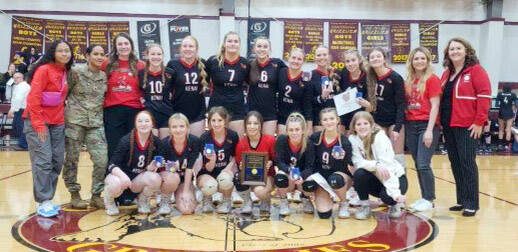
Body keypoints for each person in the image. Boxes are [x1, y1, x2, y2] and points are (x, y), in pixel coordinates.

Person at [440, 37, 491, 217]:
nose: (454, 51)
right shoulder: (446, 73)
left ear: (466, 50)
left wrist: (479, 122)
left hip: (467, 125)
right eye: (451, 49)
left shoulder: (476, 70)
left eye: (458, 48)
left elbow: (484, 96)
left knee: (467, 163)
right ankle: (462, 200)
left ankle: (472, 203)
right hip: (449, 124)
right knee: (456, 163)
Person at [23, 39, 74, 217]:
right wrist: (37, 124)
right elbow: (33, 98)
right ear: (53, 52)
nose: (64, 54)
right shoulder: (44, 70)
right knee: (43, 161)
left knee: (56, 161)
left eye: (67, 51)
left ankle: (48, 199)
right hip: (39, 122)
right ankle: (42, 200)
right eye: (60, 51)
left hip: (57, 122)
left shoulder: (66, 71)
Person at [62, 44, 108, 209]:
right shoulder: (75, 72)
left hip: (95, 123)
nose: (99, 57)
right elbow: (63, 93)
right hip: (75, 122)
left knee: (102, 159)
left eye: (102, 54)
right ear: (87, 56)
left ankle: (96, 195)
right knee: (72, 160)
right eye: (95, 54)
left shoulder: (104, 76)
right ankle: (74, 194)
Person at [348, 111, 407, 220]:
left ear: (371, 124)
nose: (362, 127)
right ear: (354, 127)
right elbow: (357, 162)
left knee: (388, 198)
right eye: (359, 124)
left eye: (366, 123)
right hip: (375, 177)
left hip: (394, 177)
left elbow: (389, 168)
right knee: (359, 173)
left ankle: (395, 205)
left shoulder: (380, 137)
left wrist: (395, 193)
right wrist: (376, 165)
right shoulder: (353, 139)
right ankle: (365, 207)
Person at [103, 111, 163, 215]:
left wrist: (152, 167)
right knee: (115, 184)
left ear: (152, 124)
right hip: (121, 179)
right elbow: (112, 164)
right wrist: (123, 176)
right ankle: (109, 202)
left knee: (155, 178)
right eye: (140, 121)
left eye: (147, 121)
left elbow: (150, 168)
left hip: (136, 181)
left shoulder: (156, 142)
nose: (143, 124)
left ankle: (142, 200)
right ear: (135, 124)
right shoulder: (126, 140)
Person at [404, 47, 441, 212]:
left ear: (427, 60)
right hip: (411, 124)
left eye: (422, 58)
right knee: (417, 164)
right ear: (411, 61)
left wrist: (429, 130)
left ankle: (429, 198)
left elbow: (435, 106)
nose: (419, 61)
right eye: (416, 59)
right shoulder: (409, 80)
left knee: (423, 163)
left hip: (426, 124)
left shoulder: (432, 79)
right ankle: (424, 196)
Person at [102, 32, 145, 159]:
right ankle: (113, 174)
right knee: (114, 145)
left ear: (131, 46)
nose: (123, 46)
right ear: (115, 47)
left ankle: (132, 176)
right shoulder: (106, 64)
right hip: (112, 110)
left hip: (135, 110)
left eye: (126, 43)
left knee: (132, 145)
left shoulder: (140, 65)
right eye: (119, 44)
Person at [307, 108, 353, 219]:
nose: (329, 122)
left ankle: (343, 202)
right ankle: (314, 198)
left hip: (340, 177)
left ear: (337, 120)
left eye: (332, 118)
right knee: (324, 214)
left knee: (335, 179)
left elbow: (350, 164)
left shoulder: (344, 141)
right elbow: (310, 161)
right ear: (321, 122)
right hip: (322, 179)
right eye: (325, 119)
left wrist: (344, 157)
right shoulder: (315, 138)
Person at [366, 47, 406, 169]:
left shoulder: (395, 77)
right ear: (369, 61)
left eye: (378, 56)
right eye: (372, 57)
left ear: (384, 59)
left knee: (397, 156)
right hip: (378, 121)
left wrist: (398, 127)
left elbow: (401, 104)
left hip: (394, 121)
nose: (375, 59)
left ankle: (400, 185)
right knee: (380, 155)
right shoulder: (369, 77)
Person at [206, 31, 249, 137]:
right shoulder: (213, 61)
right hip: (216, 106)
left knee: (236, 141)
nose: (233, 44)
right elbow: (205, 81)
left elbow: (248, 83)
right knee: (215, 140)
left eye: (235, 41)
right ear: (224, 44)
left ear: (239, 44)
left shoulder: (245, 63)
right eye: (229, 41)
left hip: (237, 107)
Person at [198, 107, 239, 213]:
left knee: (225, 179)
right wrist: (212, 160)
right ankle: (207, 199)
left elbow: (236, 156)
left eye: (220, 120)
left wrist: (228, 168)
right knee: (210, 186)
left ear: (225, 121)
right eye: (213, 120)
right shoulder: (204, 138)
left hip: (225, 169)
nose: (216, 124)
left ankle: (226, 201)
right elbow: (208, 168)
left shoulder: (233, 135)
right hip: (207, 173)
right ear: (209, 122)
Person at [166, 36, 209, 137]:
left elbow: (207, 84)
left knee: (196, 145)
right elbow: (167, 89)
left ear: (196, 49)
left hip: (197, 113)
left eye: (191, 46)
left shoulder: (203, 63)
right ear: (180, 48)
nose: (188, 48)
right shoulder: (172, 64)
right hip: (178, 112)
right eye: (185, 46)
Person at [160, 113, 202, 215]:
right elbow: (162, 169)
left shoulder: (194, 141)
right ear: (169, 129)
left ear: (188, 128)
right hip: (170, 179)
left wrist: (186, 191)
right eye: (174, 127)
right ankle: (165, 199)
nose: (178, 130)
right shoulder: (164, 144)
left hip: (185, 181)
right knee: (172, 178)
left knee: (187, 210)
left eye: (181, 126)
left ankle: (189, 192)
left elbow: (189, 167)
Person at [274, 112, 315, 215]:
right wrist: (289, 172)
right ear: (287, 130)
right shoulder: (282, 140)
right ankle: (284, 201)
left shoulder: (308, 143)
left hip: (301, 177)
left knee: (310, 183)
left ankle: (305, 198)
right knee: (279, 177)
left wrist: (301, 176)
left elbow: (310, 167)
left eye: (297, 130)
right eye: (291, 130)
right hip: (288, 175)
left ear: (303, 131)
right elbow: (279, 162)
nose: (294, 133)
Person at [234, 111, 275, 213]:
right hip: (249, 176)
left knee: (259, 192)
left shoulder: (270, 140)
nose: (252, 126)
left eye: (256, 123)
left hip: (267, 176)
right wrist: (241, 166)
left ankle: (266, 200)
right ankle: (247, 201)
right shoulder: (241, 144)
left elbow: (277, 159)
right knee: (237, 177)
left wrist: (271, 162)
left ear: (260, 125)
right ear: (245, 125)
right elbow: (239, 163)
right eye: (249, 123)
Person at [247, 37, 286, 135]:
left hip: (270, 112)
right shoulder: (249, 65)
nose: (262, 49)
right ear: (254, 49)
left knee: (268, 143)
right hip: (253, 112)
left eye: (265, 46)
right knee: (253, 143)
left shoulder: (277, 63)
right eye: (259, 46)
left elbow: (290, 75)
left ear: (269, 49)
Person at [138, 44, 174, 138]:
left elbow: (175, 92)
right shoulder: (140, 73)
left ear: (162, 56)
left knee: (164, 146)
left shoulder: (170, 73)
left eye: (159, 54)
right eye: (153, 54)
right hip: (149, 115)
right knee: (152, 146)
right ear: (147, 56)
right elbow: (137, 92)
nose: (156, 57)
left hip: (166, 113)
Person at [277, 48, 313, 135]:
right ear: (288, 58)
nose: (295, 61)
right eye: (293, 58)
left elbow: (308, 105)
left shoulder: (306, 79)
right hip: (282, 118)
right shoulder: (281, 72)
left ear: (303, 61)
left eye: (299, 59)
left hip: (298, 119)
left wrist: (309, 127)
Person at [338, 49, 372, 132]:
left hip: (360, 116)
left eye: (353, 60)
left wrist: (367, 104)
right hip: (345, 113)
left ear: (359, 60)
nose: (350, 64)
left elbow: (371, 105)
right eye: (347, 61)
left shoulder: (367, 76)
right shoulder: (343, 73)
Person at [310, 45, 341, 132]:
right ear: (314, 58)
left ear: (329, 56)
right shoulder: (311, 76)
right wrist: (322, 97)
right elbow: (309, 101)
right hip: (319, 120)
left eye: (324, 54)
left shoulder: (337, 73)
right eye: (319, 55)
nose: (322, 57)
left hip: (336, 119)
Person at [7, 72, 30, 150]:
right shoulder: (21, 86)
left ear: (22, 78)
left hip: (21, 109)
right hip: (21, 109)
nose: (15, 79)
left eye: (17, 77)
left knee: (21, 127)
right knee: (19, 127)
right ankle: (22, 144)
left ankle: (24, 145)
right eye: (14, 78)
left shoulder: (22, 86)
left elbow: (18, 99)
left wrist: (12, 109)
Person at [496, 84, 517, 151]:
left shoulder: (499, 94)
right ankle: (507, 146)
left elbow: (496, 104)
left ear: (503, 88)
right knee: (508, 130)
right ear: (510, 88)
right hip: (509, 114)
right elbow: (516, 104)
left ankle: (499, 145)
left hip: (501, 113)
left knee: (501, 130)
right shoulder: (513, 95)